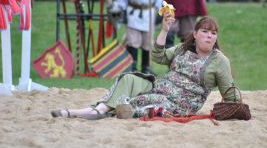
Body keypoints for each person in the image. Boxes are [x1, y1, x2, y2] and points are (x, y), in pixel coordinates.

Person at [50, 15, 240, 119]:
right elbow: (158, 56)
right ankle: (98, 110)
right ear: (196, 34)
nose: (209, 36)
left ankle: (88, 112)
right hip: (160, 87)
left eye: (213, 33)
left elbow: (229, 93)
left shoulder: (219, 60)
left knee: (145, 100)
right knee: (128, 78)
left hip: (181, 102)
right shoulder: (183, 48)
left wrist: (236, 102)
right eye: (205, 32)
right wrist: (165, 30)